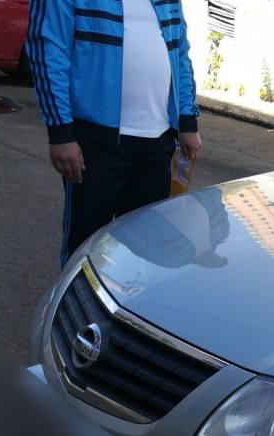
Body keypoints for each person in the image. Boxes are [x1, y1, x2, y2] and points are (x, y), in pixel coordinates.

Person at [27, 0, 203, 265]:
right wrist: (60, 132)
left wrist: (187, 121)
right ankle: (77, 305)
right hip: (96, 141)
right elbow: (49, 50)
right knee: (85, 245)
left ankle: (128, 306)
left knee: (147, 249)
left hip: (158, 142)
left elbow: (180, 53)